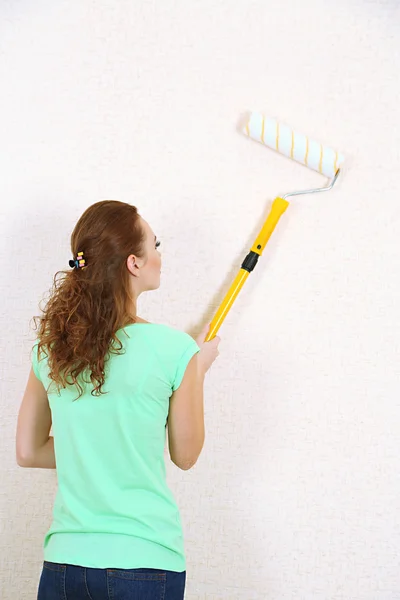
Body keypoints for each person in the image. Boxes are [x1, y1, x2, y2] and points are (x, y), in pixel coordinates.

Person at [16, 200, 221, 600]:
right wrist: (194, 369)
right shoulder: (174, 350)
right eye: (155, 245)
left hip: (64, 564)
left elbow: (28, 451)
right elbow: (186, 455)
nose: (159, 256)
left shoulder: (52, 349)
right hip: (144, 562)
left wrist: (91, 448)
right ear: (134, 263)